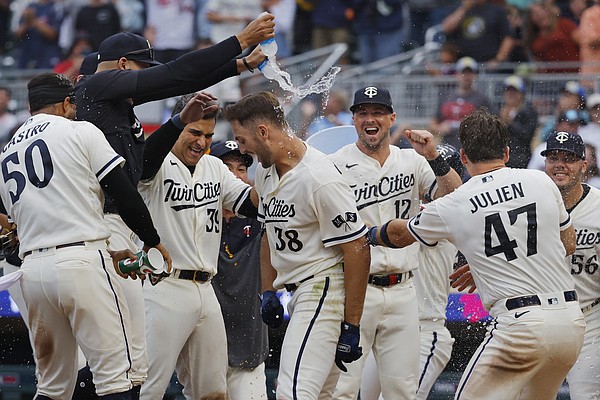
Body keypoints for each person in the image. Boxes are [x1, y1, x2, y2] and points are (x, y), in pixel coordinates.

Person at [74, 15, 274, 392]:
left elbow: (177, 86)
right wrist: (239, 40)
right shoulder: (96, 88)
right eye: (140, 70)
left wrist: (238, 66)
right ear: (122, 66)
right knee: (130, 380)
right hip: (115, 244)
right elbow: (175, 76)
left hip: (194, 282)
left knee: (207, 388)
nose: (147, 78)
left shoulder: (120, 113)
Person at [367, 108, 586, 399]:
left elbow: (398, 234)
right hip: (570, 324)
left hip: (520, 325)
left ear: (465, 157)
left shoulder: (455, 203)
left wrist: (365, 232)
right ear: (507, 153)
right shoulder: (540, 181)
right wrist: (500, 259)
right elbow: (568, 244)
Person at [0, 72, 171, 400]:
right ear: (65, 102)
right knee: (116, 378)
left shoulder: (8, 149)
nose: (76, 110)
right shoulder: (80, 130)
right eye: (73, 104)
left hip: (33, 273)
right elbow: (123, 193)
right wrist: (152, 239)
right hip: (81, 261)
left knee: (52, 387)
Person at [224, 91, 371, 399]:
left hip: (323, 290)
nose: (242, 149)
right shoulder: (266, 170)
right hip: (300, 290)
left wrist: (352, 324)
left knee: (292, 392)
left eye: (242, 140)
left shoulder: (319, 177)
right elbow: (268, 233)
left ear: (263, 132)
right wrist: (267, 290)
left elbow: (357, 247)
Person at [329, 86, 462, 399]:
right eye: (363, 112)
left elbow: (453, 196)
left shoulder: (412, 160)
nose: (370, 119)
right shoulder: (334, 164)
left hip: (404, 290)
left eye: (377, 112)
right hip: (354, 288)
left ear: (392, 118)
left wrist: (433, 156)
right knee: (342, 390)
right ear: (353, 119)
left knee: (401, 391)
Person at [138, 92, 259, 400]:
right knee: (147, 388)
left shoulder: (215, 168)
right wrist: (178, 120)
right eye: (194, 132)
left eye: (208, 135)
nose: (202, 142)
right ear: (177, 127)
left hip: (206, 290)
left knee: (212, 391)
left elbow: (249, 203)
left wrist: (274, 164)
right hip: (163, 287)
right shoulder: (156, 164)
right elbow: (142, 162)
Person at [358, 143, 465, 400]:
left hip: (426, 332)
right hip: (392, 326)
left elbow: (395, 227)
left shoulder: (444, 214)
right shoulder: (415, 208)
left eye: (436, 172)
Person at [541, 131, 600, 400]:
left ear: (583, 166)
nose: (560, 164)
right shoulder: (531, 204)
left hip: (590, 316)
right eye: (553, 157)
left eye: (569, 158)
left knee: (586, 395)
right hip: (543, 316)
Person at [210, 140, 269, 400]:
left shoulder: (263, 220)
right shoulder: (192, 217)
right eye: (226, 168)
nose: (235, 176)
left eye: (241, 169)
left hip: (249, 345)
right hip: (206, 346)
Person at [429, 56, 492, 150]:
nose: (466, 76)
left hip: (471, 148)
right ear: (457, 74)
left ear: (475, 75)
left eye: (469, 73)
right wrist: (439, 129)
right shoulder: (446, 97)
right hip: (448, 146)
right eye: (463, 72)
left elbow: (490, 126)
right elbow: (433, 122)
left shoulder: (482, 99)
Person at [496, 75, 538, 169]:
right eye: (508, 91)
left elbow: (527, 135)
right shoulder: (498, 112)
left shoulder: (529, 112)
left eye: (514, 91)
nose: (510, 94)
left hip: (522, 159)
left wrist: (510, 123)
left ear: (521, 94)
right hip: (502, 160)